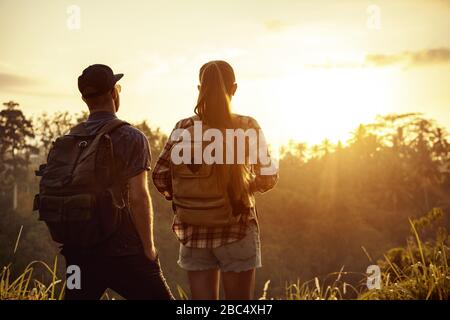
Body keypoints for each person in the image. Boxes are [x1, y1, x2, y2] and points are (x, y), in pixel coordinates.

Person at [152, 60, 278, 300]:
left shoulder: (183, 127)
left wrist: (189, 194)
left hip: (192, 231)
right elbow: (268, 176)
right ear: (234, 88)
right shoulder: (246, 126)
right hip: (236, 229)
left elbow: (159, 176)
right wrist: (243, 187)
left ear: (200, 88)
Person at [61, 64, 173, 300]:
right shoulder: (131, 137)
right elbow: (138, 197)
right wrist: (148, 248)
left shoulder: (68, 140)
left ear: (84, 98)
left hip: (78, 255)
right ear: (114, 93)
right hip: (124, 251)